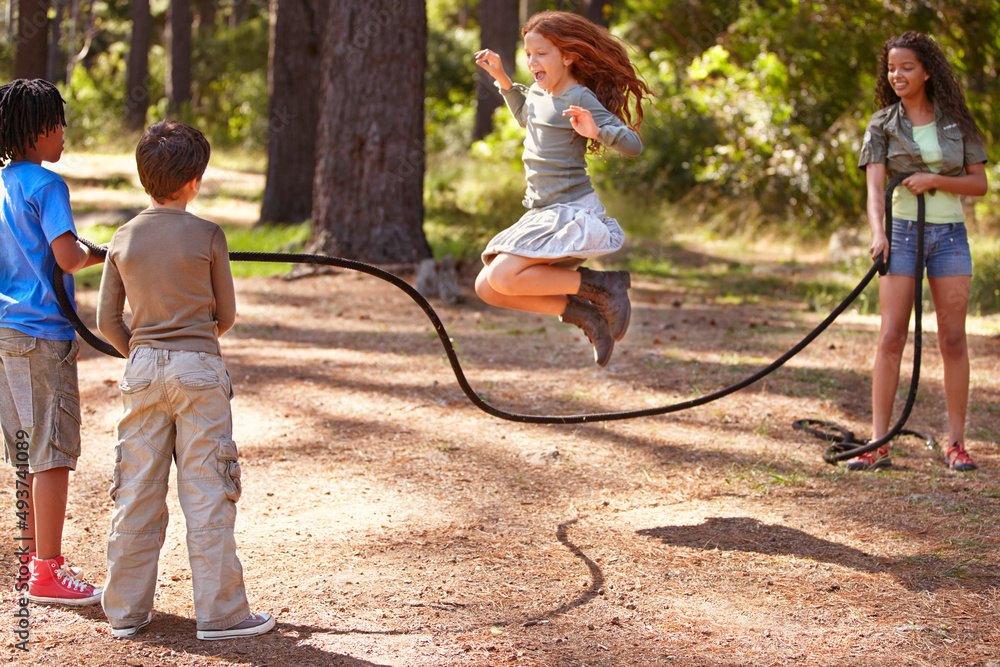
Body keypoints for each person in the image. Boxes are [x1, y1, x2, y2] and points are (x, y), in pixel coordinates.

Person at [96, 120, 275, 640]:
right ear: (195, 179)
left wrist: (143, 352)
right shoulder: (208, 234)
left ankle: (125, 612)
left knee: (136, 486)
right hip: (199, 367)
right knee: (207, 489)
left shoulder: (122, 237)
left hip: (143, 367)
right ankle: (221, 614)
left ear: (143, 177)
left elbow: (108, 320)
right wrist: (194, 343)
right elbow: (227, 315)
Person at [474, 11, 652, 367]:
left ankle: (605, 286)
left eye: (541, 53)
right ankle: (586, 316)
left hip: (570, 210)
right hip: (542, 210)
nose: (532, 61)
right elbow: (529, 116)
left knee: (502, 275)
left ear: (567, 56)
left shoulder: (580, 97)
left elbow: (634, 145)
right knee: (487, 288)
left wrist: (596, 131)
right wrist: (503, 81)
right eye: (528, 54)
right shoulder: (540, 91)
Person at [854, 31, 988, 472]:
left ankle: (956, 443)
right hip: (902, 233)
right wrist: (879, 233)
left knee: (952, 338)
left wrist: (933, 180)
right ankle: (879, 441)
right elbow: (875, 188)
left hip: (949, 234)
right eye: (892, 68)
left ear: (927, 71)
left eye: (907, 67)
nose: (897, 75)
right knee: (891, 335)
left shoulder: (957, 123)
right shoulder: (881, 124)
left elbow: (979, 184)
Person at [0, 79, 105, 605]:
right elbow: (67, 257)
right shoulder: (46, 186)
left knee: (24, 452)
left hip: (4, 336)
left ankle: (29, 561)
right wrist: (96, 252)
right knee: (53, 455)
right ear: (39, 132)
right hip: (44, 338)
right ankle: (47, 569)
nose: (63, 134)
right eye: (58, 125)